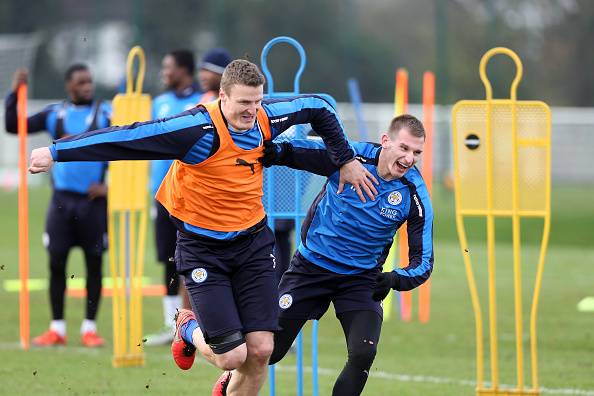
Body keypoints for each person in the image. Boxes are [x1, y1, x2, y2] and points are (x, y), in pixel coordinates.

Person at [28, 59, 378, 396]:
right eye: (243, 103)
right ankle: (187, 327)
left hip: (253, 243)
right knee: (231, 356)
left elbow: (319, 106)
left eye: (257, 102)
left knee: (260, 351)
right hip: (203, 249)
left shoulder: (266, 115)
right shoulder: (195, 129)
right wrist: (56, 151)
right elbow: (129, 137)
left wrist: (344, 159)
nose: (251, 112)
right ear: (221, 98)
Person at [264, 114, 434, 396]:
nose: (409, 158)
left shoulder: (414, 194)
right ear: (385, 141)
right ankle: (228, 379)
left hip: (361, 279)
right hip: (311, 267)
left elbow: (424, 263)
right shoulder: (350, 156)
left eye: (417, 153)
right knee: (269, 351)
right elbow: (303, 152)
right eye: (404, 148)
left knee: (362, 354)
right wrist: (276, 151)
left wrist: (394, 279)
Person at [5, 65, 110, 347]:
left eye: (89, 81)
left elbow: (128, 147)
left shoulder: (106, 113)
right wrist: (15, 93)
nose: (87, 86)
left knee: (94, 264)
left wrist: (108, 187)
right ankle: (57, 328)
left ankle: (89, 328)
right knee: (56, 262)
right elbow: (14, 126)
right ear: (69, 86)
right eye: (81, 82)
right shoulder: (55, 114)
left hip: (94, 203)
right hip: (62, 202)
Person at [145, 48, 232, 346]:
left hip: (198, 198)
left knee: (195, 260)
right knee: (171, 260)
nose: (202, 75)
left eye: (208, 69)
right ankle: (177, 327)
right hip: (165, 194)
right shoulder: (166, 101)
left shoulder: (214, 103)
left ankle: (196, 324)